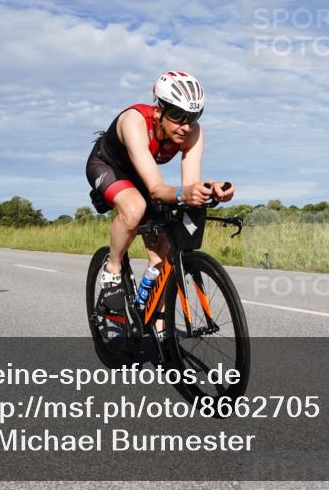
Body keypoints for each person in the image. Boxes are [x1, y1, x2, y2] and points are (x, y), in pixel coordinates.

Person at [85, 71, 234, 324]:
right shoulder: (134, 121)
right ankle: (112, 270)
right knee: (134, 208)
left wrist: (209, 189)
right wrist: (181, 193)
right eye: (178, 116)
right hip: (107, 166)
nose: (186, 126)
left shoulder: (192, 133)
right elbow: (156, 188)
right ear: (158, 110)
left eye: (194, 117)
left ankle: (157, 322)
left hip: (141, 176)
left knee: (163, 253)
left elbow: (189, 187)